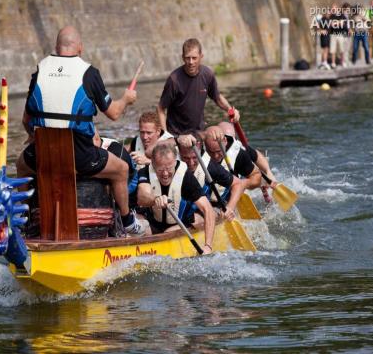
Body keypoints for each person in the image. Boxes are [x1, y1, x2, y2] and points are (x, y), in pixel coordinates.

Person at [19, 26, 147, 236]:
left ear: (56, 47)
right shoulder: (88, 73)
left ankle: (22, 223)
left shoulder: (40, 71)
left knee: (21, 166)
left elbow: (26, 120)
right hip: (80, 158)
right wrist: (126, 99)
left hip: (44, 157)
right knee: (122, 170)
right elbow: (114, 113)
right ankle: (127, 222)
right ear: (80, 48)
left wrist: (35, 138)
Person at [156, 38, 240, 148]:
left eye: (194, 58)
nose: (191, 62)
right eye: (187, 58)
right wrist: (166, 136)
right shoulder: (174, 80)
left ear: (201, 57)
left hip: (198, 133)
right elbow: (160, 108)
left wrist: (230, 110)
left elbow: (217, 98)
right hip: (178, 136)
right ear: (183, 58)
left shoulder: (207, 74)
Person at [137, 142, 215, 254]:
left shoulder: (186, 177)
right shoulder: (144, 172)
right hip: (153, 223)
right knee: (136, 225)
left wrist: (208, 246)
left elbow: (208, 209)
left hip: (179, 224)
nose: (165, 174)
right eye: (160, 170)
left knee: (167, 233)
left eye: (169, 169)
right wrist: (155, 199)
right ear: (153, 164)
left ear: (174, 162)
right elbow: (142, 196)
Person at [178, 134, 244, 223]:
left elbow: (238, 184)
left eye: (194, 157)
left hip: (200, 212)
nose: (191, 163)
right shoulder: (171, 161)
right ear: (179, 153)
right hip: (175, 213)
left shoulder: (210, 167)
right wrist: (178, 138)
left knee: (196, 218)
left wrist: (230, 207)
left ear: (200, 152)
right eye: (185, 158)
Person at [328, 3, 349, 68]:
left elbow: (343, 23)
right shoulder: (331, 16)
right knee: (333, 49)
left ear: (337, 8)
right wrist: (338, 23)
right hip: (333, 34)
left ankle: (342, 62)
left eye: (334, 8)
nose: (333, 9)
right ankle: (333, 63)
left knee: (341, 49)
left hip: (340, 34)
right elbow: (331, 24)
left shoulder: (341, 15)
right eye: (332, 8)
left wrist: (336, 23)